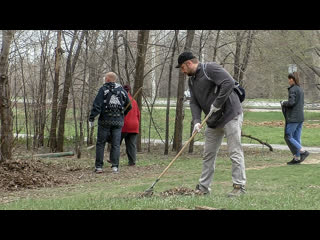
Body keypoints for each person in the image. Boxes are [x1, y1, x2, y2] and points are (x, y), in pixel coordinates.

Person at [176, 51, 246, 197]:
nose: (182, 71)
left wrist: (217, 103)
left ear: (189, 63)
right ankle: (203, 188)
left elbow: (228, 83)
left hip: (230, 114)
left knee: (234, 152)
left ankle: (239, 187)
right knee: (208, 154)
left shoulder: (210, 69)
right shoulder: (192, 80)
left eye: (182, 67)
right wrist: (196, 121)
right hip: (213, 120)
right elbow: (194, 102)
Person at [89, 72, 131, 174]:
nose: (104, 79)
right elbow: (129, 106)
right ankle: (115, 167)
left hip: (104, 121)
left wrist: (92, 118)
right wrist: (122, 115)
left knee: (101, 143)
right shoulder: (122, 90)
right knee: (116, 144)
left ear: (108, 79)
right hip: (118, 122)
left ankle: (99, 167)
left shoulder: (103, 89)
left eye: (105, 78)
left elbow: (97, 105)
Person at [281, 72, 309, 165]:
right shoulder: (300, 89)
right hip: (300, 117)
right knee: (296, 137)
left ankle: (303, 152)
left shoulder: (292, 89)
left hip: (293, 118)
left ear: (292, 79)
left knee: (288, 136)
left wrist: (283, 103)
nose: (288, 81)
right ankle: (297, 158)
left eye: (289, 79)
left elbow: (291, 103)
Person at [120, 85, 140, 166]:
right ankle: (132, 161)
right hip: (134, 125)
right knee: (131, 144)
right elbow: (138, 114)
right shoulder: (134, 101)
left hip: (124, 125)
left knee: (116, 143)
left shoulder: (120, 100)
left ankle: (113, 160)